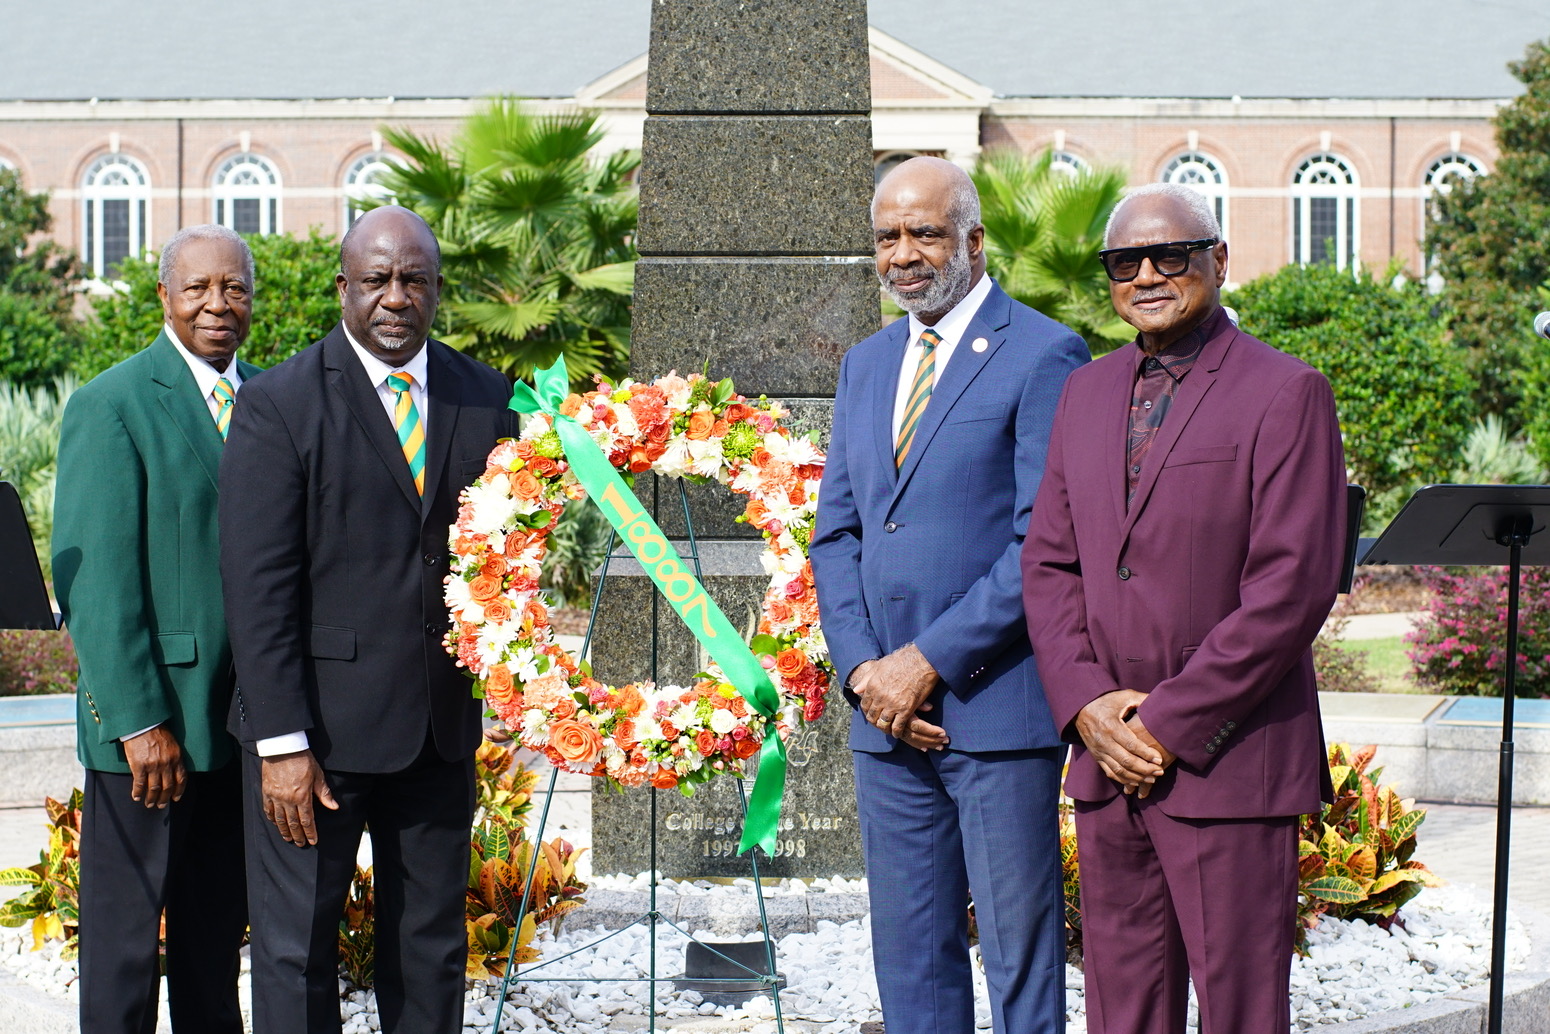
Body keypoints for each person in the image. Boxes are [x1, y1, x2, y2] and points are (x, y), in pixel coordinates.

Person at [1021, 183, 1346, 1034]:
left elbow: (1291, 588)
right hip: (1105, 760)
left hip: (1226, 761)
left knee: (1240, 1012)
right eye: (1126, 261)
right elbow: (1050, 565)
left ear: (1219, 261)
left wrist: (1162, 724)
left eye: (1173, 255)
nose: (1148, 275)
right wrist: (1089, 707)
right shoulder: (1083, 395)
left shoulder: (1287, 391)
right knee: (1122, 1011)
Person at [218, 206, 518, 1033]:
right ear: (344, 287)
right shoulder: (279, 403)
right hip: (315, 740)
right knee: (295, 950)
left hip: (436, 732)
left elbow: (503, 556)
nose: (396, 297)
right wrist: (281, 744)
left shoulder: (486, 396)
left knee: (429, 951)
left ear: (437, 290)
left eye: (414, 280)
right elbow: (257, 586)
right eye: (378, 280)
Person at [810, 156, 1088, 1034]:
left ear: (973, 239)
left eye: (924, 232)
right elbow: (839, 535)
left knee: (1020, 961)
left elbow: (1041, 541)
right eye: (887, 236)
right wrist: (864, 674)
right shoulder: (866, 363)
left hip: (992, 714)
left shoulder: (1045, 352)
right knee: (912, 960)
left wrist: (925, 663)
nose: (903, 254)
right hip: (885, 727)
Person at [53, 224, 256, 1033]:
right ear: (165, 296)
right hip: (152, 731)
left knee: (214, 945)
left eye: (234, 287)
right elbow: (95, 581)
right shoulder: (112, 403)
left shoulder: (272, 399)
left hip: (243, 729)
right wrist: (139, 722)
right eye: (199, 287)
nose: (217, 303)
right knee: (126, 949)